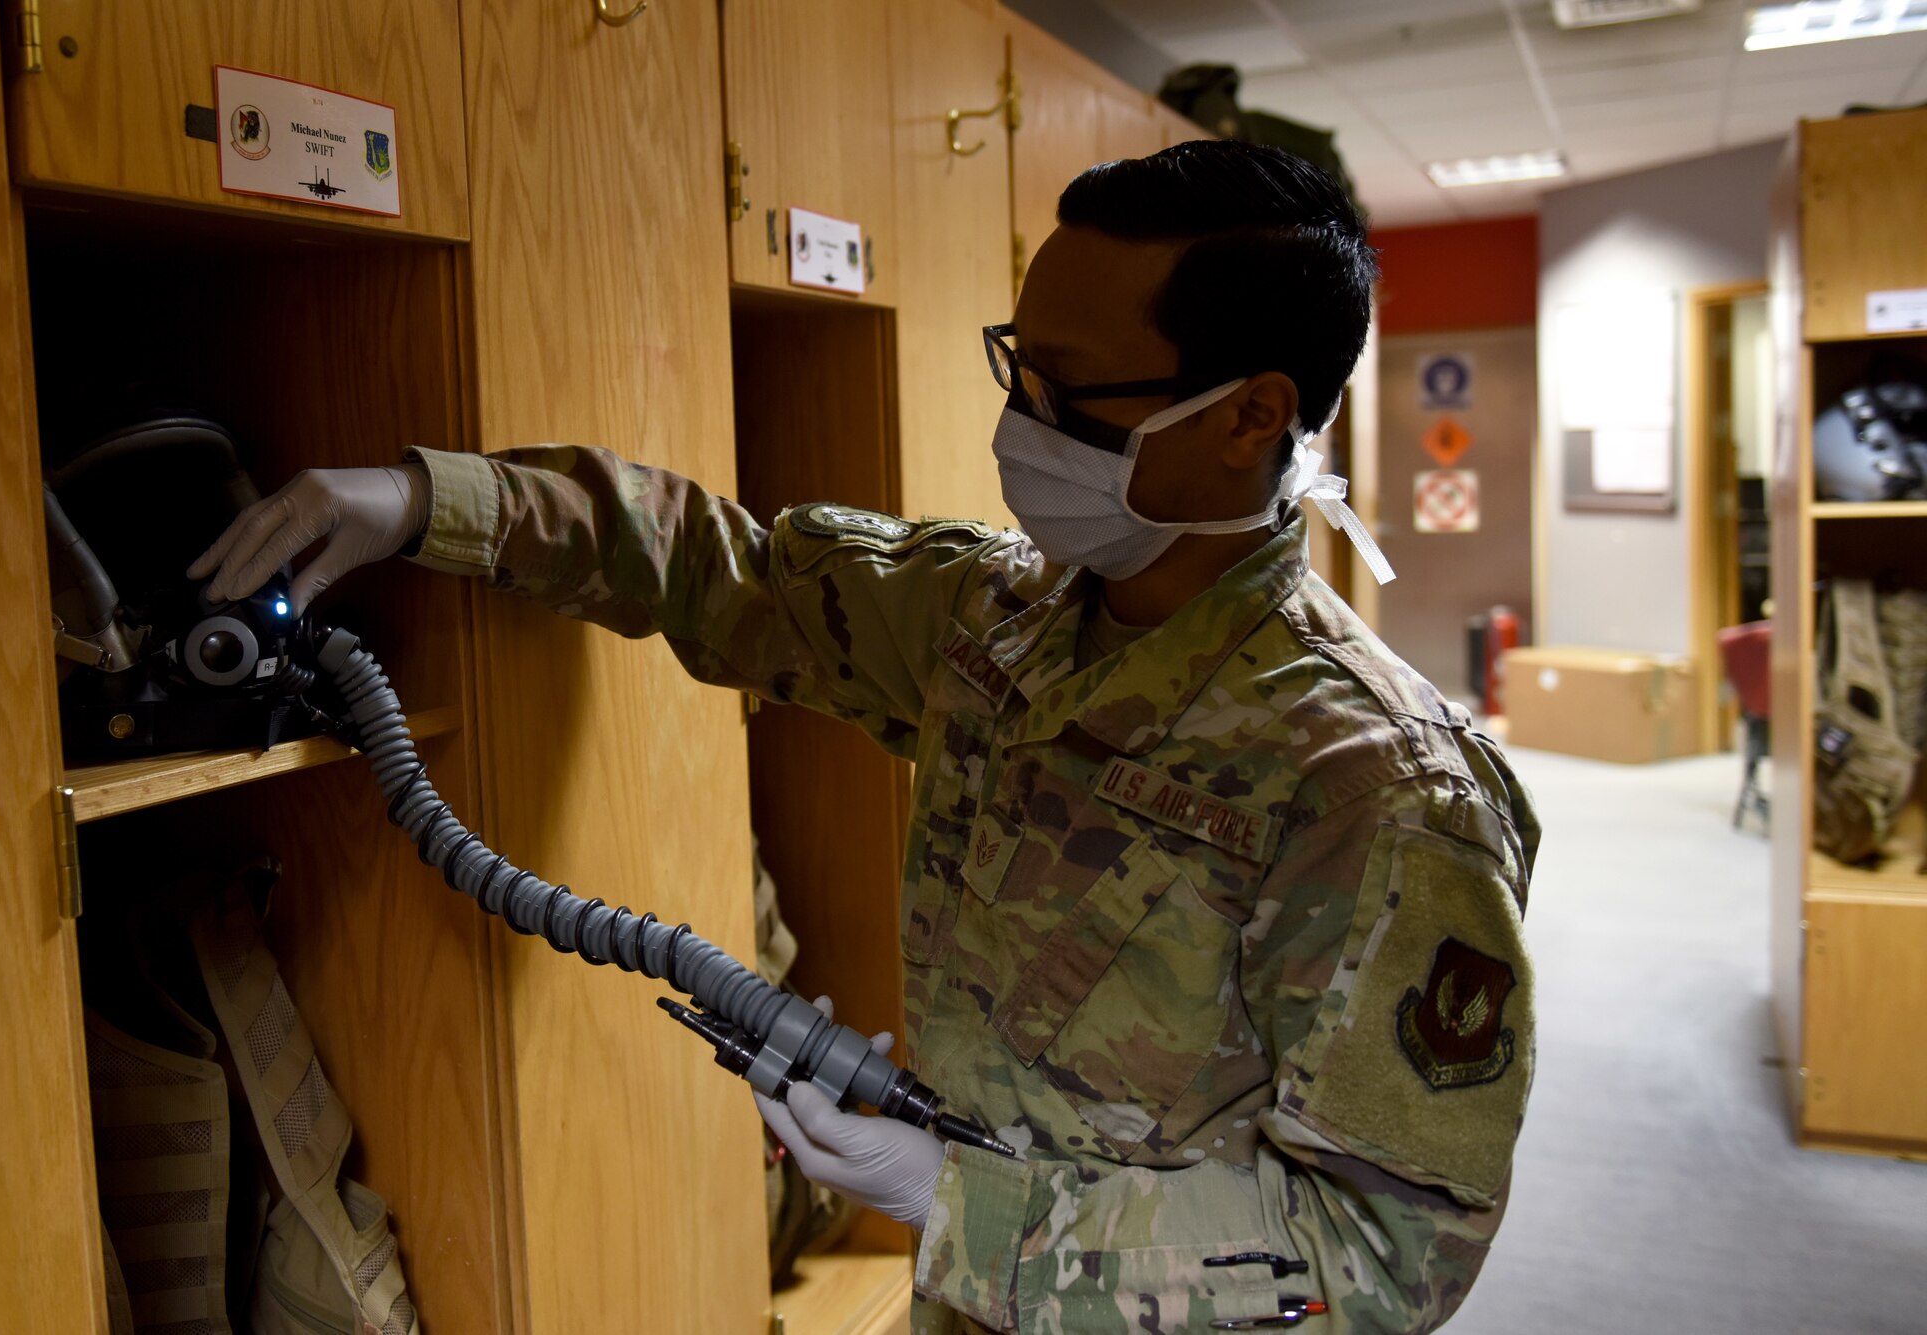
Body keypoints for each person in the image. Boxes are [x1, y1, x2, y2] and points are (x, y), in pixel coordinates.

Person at [192, 140, 1538, 1333]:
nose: (1023, 425)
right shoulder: (998, 621)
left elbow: (1371, 1266)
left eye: (1072, 391)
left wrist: (962, 1204)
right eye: (1022, 366)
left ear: (1252, 413)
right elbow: (726, 576)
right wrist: (422, 503)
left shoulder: (1375, 785)